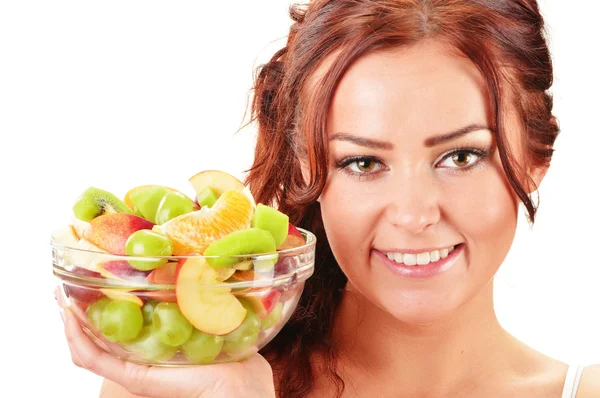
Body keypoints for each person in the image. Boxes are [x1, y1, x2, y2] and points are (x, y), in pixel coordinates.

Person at [57, 0, 600, 397]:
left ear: (534, 161)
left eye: (460, 157)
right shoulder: (188, 382)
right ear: (307, 168)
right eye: (363, 162)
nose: (413, 215)